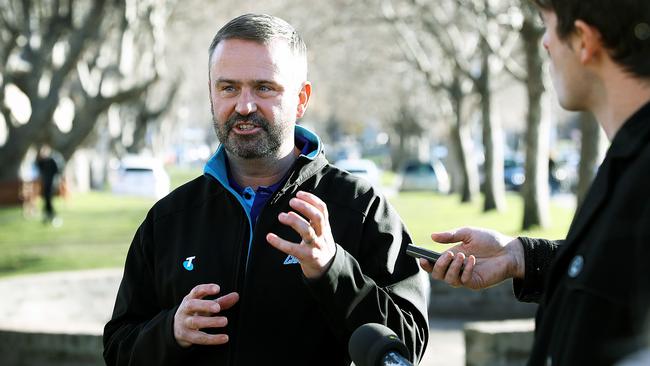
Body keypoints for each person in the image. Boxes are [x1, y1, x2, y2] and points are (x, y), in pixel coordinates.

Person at [103, 13, 429, 366]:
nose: (244, 106)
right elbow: (118, 348)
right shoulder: (169, 219)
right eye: (228, 87)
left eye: (264, 88)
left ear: (301, 98)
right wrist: (170, 331)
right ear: (211, 93)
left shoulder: (360, 208)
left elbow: (408, 345)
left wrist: (332, 268)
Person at [422, 1, 650, 365]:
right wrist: (520, 256)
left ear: (583, 39)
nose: (544, 43)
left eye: (547, 25)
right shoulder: (627, 161)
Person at [35, 145, 61, 225]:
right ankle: (48, 215)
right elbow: (37, 166)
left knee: (49, 200)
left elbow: (57, 171)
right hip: (45, 184)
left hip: (51, 184)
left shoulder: (52, 161)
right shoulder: (42, 162)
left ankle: (51, 215)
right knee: (46, 200)